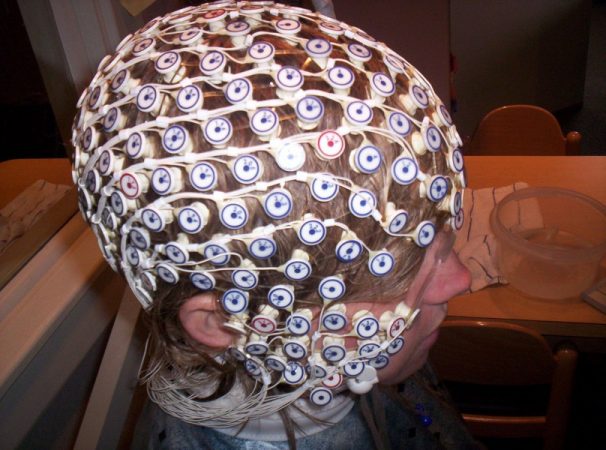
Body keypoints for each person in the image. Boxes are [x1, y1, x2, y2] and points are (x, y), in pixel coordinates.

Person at [71, 1, 478, 448]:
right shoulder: (353, 355)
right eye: (401, 274)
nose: (462, 279)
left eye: (442, 245)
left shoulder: (345, 350)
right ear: (225, 323)